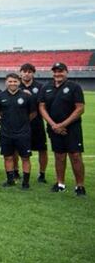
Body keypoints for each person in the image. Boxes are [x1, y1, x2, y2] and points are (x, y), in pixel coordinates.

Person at [38, 62, 86, 196]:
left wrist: (63, 124)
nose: (57, 74)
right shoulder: (46, 87)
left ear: (66, 72)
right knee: (59, 156)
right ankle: (60, 183)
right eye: (55, 71)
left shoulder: (74, 87)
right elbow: (42, 107)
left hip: (72, 128)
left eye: (61, 71)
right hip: (54, 128)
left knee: (75, 156)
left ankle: (80, 186)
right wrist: (54, 125)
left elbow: (80, 108)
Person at [0, 73, 36, 189]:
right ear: (6, 82)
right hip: (6, 132)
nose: (12, 83)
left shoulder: (26, 96)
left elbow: (33, 113)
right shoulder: (0, 96)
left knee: (25, 157)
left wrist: (23, 121)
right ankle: (10, 180)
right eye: (10, 81)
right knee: (8, 157)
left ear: (19, 82)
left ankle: (26, 182)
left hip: (23, 133)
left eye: (15, 81)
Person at [19, 63, 49, 183]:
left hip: (36, 123)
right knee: (17, 149)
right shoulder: (15, 85)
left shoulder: (40, 87)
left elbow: (43, 105)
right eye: (24, 71)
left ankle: (42, 174)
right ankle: (16, 171)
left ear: (33, 73)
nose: (27, 74)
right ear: (20, 72)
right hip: (19, 124)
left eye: (29, 71)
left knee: (42, 149)